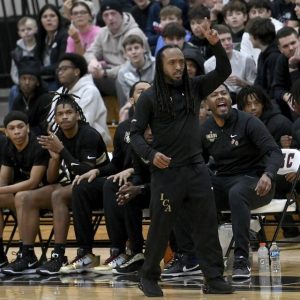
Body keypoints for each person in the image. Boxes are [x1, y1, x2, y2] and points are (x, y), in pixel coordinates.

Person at [130, 20, 233, 296]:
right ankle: (149, 276)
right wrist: (151, 156)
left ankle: (213, 278)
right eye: (172, 63)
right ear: (161, 67)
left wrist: (215, 45)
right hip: (167, 173)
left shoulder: (196, 87)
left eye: (181, 62)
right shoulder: (149, 98)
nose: (179, 67)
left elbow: (225, 70)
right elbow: (134, 135)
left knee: (207, 226)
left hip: (197, 169)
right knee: (161, 228)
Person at [2, 94, 109, 275]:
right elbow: (51, 179)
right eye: (60, 114)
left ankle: (59, 255)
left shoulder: (88, 134)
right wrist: (54, 159)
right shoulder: (57, 135)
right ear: (56, 118)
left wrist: (61, 150)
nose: (64, 116)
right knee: (24, 197)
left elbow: (84, 172)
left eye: (69, 112)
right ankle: (27, 255)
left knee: (58, 195)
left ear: (77, 115)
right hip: (72, 184)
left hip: (98, 184)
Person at [62, 81, 151, 275]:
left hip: (145, 180)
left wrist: (132, 172)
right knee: (82, 186)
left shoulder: (158, 124)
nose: (145, 94)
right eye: (140, 91)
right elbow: (116, 163)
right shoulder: (123, 127)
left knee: (114, 185)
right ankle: (85, 252)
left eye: (149, 91)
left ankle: (121, 250)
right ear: (131, 99)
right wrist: (98, 171)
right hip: (121, 178)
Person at [201, 84, 284, 280]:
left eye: (224, 93)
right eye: (214, 94)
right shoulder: (205, 129)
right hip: (223, 180)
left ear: (231, 99)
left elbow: (275, 152)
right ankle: (200, 256)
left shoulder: (248, 122)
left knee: (237, 193)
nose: (221, 97)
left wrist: (269, 174)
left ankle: (241, 257)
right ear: (207, 105)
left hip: (257, 181)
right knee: (198, 191)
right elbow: (198, 160)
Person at [0, 111, 49, 270]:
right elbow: (3, 178)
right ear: (6, 132)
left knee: (22, 197)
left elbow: (33, 182)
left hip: (48, 192)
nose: (17, 131)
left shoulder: (38, 145)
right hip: (24, 196)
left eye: (20, 126)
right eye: (12, 128)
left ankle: (27, 254)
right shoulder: (8, 147)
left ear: (28, 128)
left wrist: (2, 189)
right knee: (16, 197)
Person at [85, 0, 149, 98]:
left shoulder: (134, 33)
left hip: (136, 75)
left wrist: (105, 73)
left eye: (113, 13)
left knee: (121, 80)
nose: (110, 18)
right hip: (110, 73)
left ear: (122, 14)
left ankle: (128, 111)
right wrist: (92, 62)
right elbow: (90, 52)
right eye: (106, 15)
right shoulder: (103, 32)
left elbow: (132, 65)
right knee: (84, 78)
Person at [47, 53, 111, 145]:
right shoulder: (59, 92)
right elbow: (51, 121)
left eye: (64, 69)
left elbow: (84, 122)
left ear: (76, 71)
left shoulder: (90, 91)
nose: (60, 72)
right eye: (59, 69)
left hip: (93, 144)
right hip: (65, 140)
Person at [205, 24, 256, 103]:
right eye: (222, 40)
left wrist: (242, 83)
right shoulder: (208, 65)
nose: (227, 43)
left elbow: (256, 88)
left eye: (229, 39)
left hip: (245, 100)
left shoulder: (246, 59)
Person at [11, 57, 52, 136]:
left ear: (37, 82)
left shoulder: (46, 99)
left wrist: (24, 133)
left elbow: (44, 127)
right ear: (19, 81)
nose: (27, 82)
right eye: (23, 78)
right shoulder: (18, 100)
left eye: (31, 79)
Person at [35, 4, 68, 91]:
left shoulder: (64, 35)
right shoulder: (41, 37)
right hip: (42, 78)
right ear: (41, 21)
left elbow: (61, 63)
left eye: (52, 16)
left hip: (57, 78)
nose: (48, 19)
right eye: (45, 16)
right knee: (15, 90)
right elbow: (36, 59)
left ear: (58, 19)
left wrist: (41, 70)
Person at [116, 35, 155, 107]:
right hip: (137, 105)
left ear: (143, 49)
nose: (133, 52)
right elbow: (129, 97)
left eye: (136, 48)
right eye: (129, 49)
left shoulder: (156, 64)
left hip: (156, 101)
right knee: (125, 109)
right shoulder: (122, 73)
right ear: (125, 53)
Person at [240, 0, 283, 65]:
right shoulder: (247, 33)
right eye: (253, 12)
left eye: (260, 12)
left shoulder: (278, 29)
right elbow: (245, 57)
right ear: (249, 15)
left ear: (269, 13)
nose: (257, 15)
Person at [8, 16, 38, 110]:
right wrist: (21, 84)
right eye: (23, 30)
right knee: (14, 90)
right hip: (22, 84)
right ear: (19, 33)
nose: (26, 32)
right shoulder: (16, 52)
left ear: (36, 29)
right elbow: (14, 72)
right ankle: (12, 119)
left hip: (38, 82)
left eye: (29, 29)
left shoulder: (40, 47)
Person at [246, 17, 281, 96]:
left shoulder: (274, 57)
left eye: (250, 36)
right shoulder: (262, 54)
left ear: (256, 37)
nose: (249, 39)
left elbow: (272, 88)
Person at [272, 26, 300, 120]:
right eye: (285, 46)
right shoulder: (281, 60)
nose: (291, 48)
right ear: (280, 49)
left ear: (299, 40)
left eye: (293, 43)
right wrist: (286, 96)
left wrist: (292, 66)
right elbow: (276, 88)